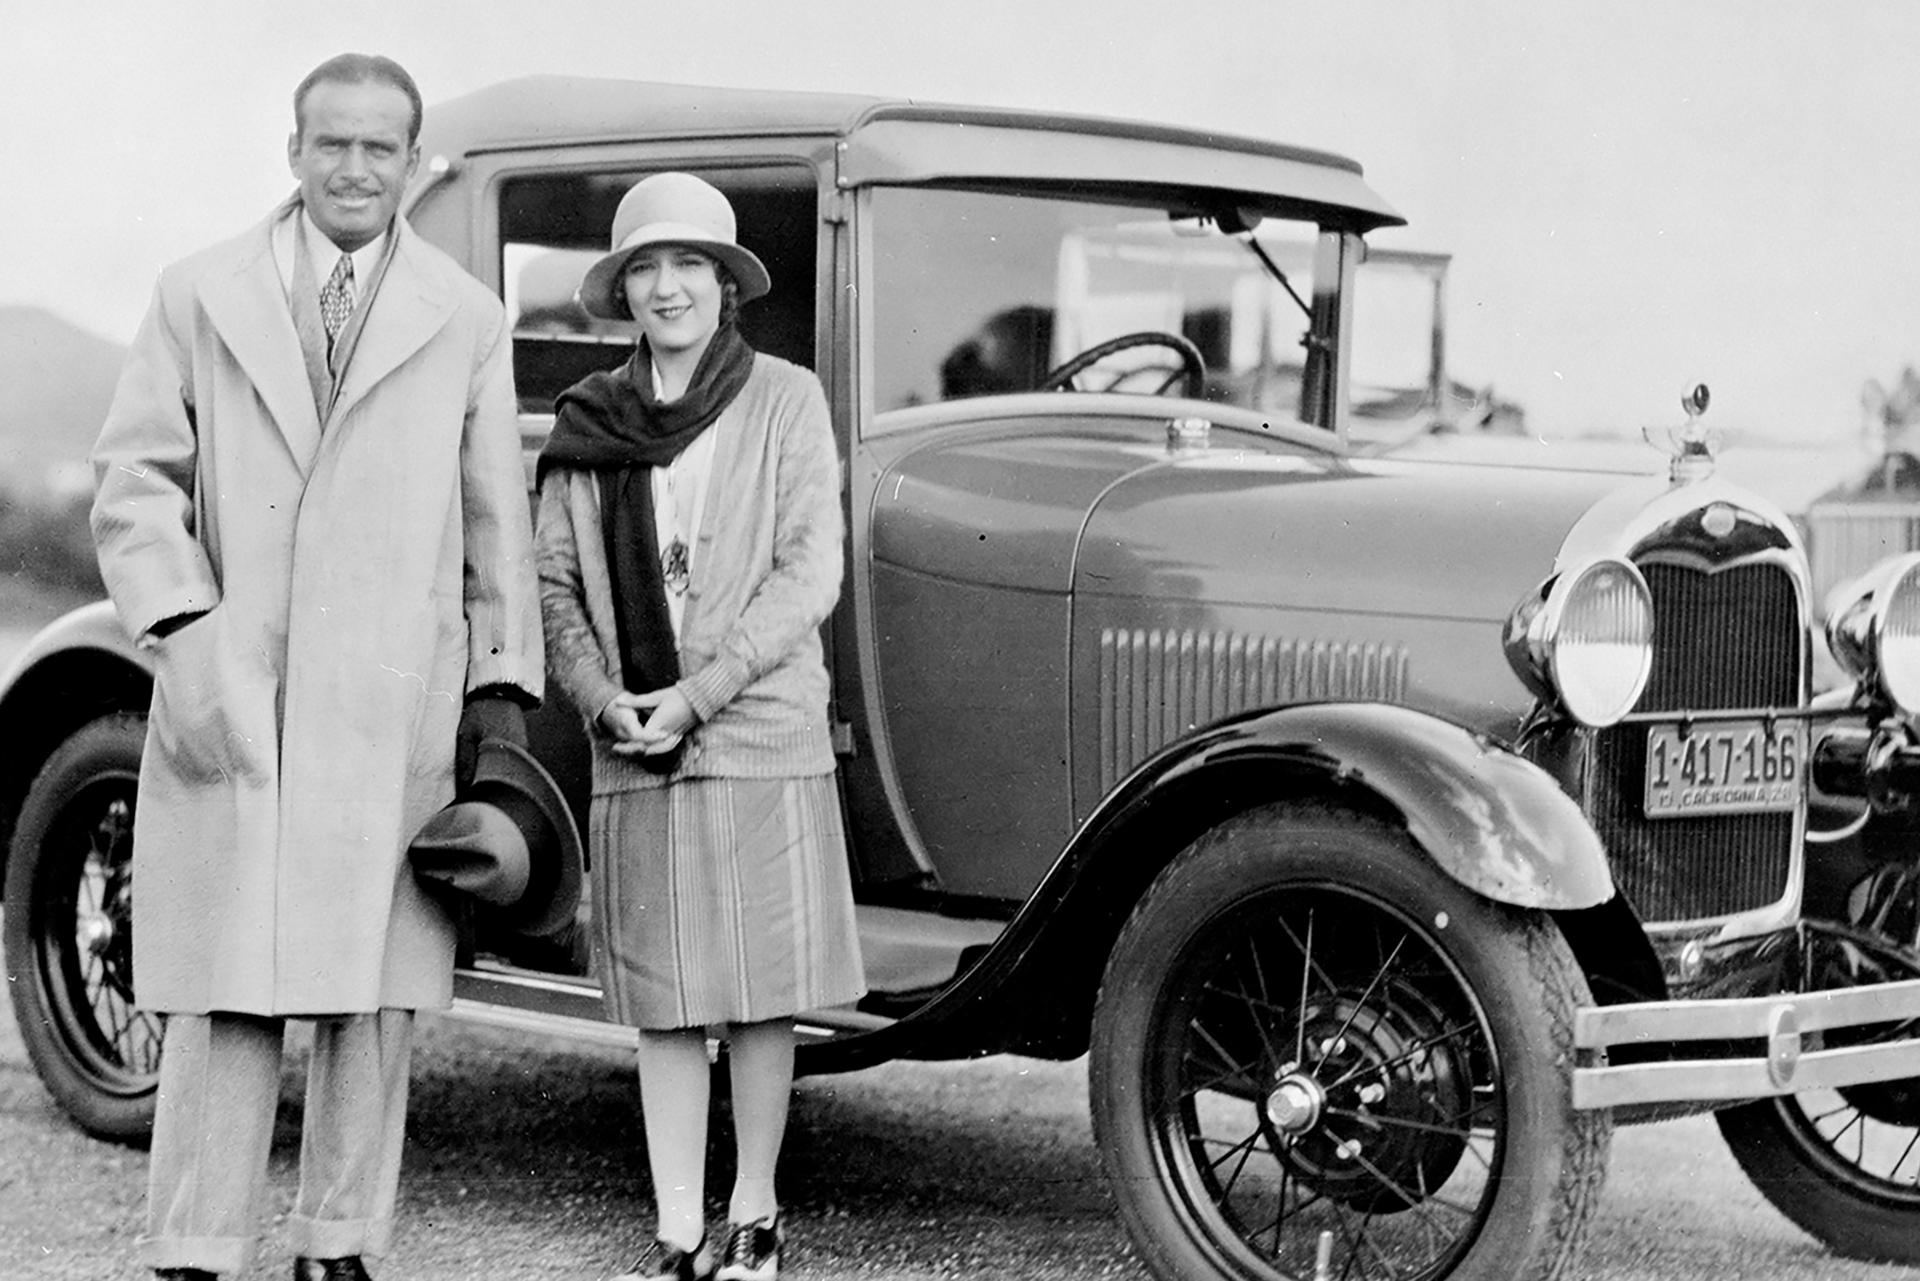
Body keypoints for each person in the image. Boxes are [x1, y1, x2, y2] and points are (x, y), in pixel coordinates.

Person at [89, 53, 542, 1281]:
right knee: (222, 982)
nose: (353, 168)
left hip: (391, 691)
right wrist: (186, 634)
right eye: (331, 144)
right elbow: (133, 485)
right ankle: (195, 1242)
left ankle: (338, 1239)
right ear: (294, 151)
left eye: (379, 148)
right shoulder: (199, 293)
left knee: (371, 990)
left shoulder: (465, 314)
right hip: (232, 680)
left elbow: (495, 515)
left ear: (413, 164)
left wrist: (497, 690)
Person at [536, 172, 864, 1281]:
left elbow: (807, 570)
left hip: (757, 728)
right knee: (667, 997)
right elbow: (555, 592)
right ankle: (680, 1226)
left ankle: (756, 1208)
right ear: (622, 287)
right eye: (647, 266)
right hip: (634, 737)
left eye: (692, 266)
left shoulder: (786, 399)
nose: (669, 286)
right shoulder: (590, 421)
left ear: (727, 286)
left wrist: (702, 691)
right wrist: (601, 697)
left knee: (758, 989)